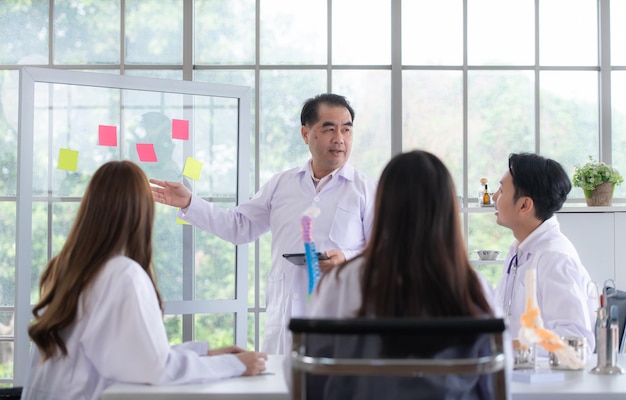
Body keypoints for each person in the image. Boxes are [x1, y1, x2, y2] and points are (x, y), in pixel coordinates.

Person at [150, 93, 377, 354]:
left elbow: (384, 255)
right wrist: (190, 202)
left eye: (346, 130)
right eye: (329, 129)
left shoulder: (367, 191)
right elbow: (239, 227)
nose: (339, 139)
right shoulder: (282, 185)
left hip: (340, 325)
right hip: (285, 326)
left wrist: (346, 258)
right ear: (306, 134)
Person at [22, 160, 267, 400]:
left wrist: (205, 353)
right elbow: (156, 369)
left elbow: (130, 356)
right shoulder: (122, 273)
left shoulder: (66, 266)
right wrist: (233, 365)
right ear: (141, 213)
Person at [306, 150, 509, 399]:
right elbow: (498, 384)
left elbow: (308, 374)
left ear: (383, 207)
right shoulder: (473, 288)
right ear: (447, 210)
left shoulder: (342, 282)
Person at [492, 152, 596, 358]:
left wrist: (510, 347)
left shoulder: (554, 257)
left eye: (502, 190)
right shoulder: (518, 250)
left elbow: (576, 343)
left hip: (550, 385)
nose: (494, 197)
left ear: (524, 205)